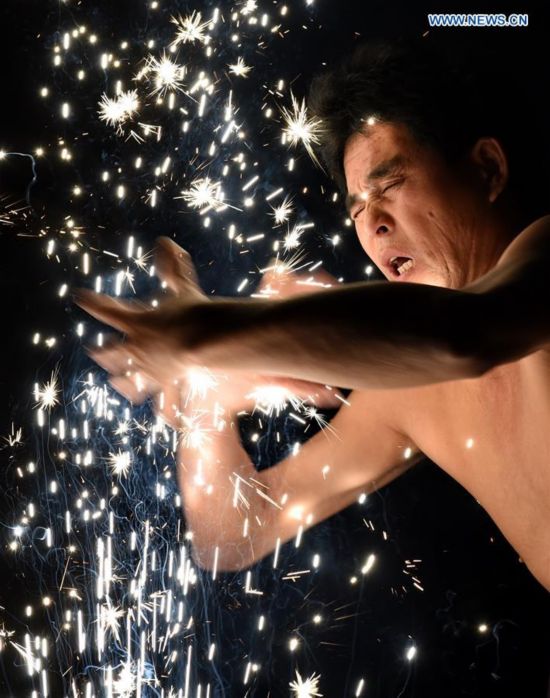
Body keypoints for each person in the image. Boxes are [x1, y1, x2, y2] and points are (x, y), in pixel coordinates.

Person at [76, 38, 550, 590]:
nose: (373, 226)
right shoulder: (414, 389)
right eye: (358, 209)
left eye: (391, 187)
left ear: (487, 170)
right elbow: (234, 536)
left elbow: (461, 334)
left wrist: (215, 335)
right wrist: (210, 405)